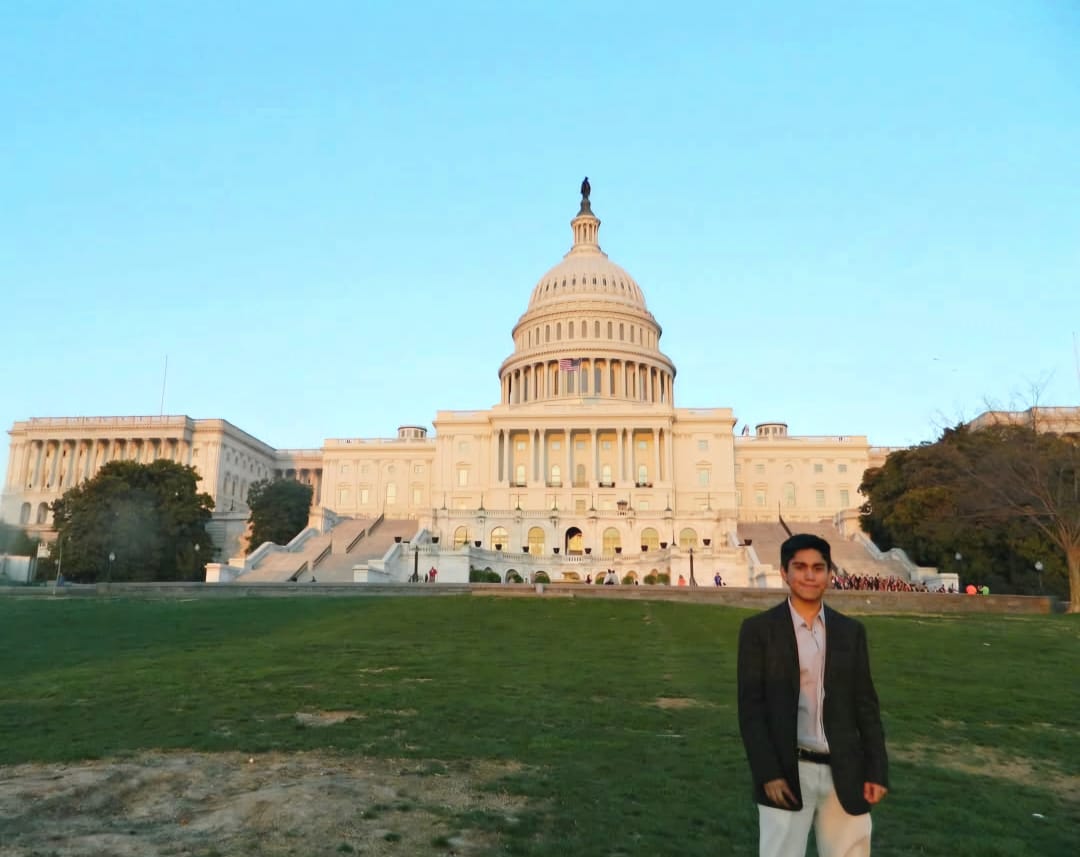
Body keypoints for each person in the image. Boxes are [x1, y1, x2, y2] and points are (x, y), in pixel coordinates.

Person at [737, 533, 888, 857]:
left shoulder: (850, 632)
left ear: (830, 574)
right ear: (784, 572)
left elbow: (866, 705)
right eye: (800, 567)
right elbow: (752, 710)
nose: (809, 575)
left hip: (846, 769)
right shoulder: (759, 631)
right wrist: (768, 773)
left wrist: (876, 769)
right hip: (790, 768)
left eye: (818, 568)